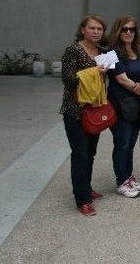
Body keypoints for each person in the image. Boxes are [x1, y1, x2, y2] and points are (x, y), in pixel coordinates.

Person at [60, 15, 108, 216]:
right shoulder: (73, 50)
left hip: (94, 110)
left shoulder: (101, 51)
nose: (96, 32)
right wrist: (94, 72)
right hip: (76, 111)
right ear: (82, 30)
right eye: (92, 28)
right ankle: (82, 200)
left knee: (90, 152)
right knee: (80, 154)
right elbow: (68, 78)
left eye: (99, 29)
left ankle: (86, 188)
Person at [107, 17, 140, 198]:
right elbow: (122, 79)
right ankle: (121, 181)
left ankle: (128, 177)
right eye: (125, 29)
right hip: (120, 106)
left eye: (132, 29)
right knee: (122, 143)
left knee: (130, 143)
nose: (129, 32)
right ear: (118, 31)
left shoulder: (136, 51)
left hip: (135, 107)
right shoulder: (112, 52)